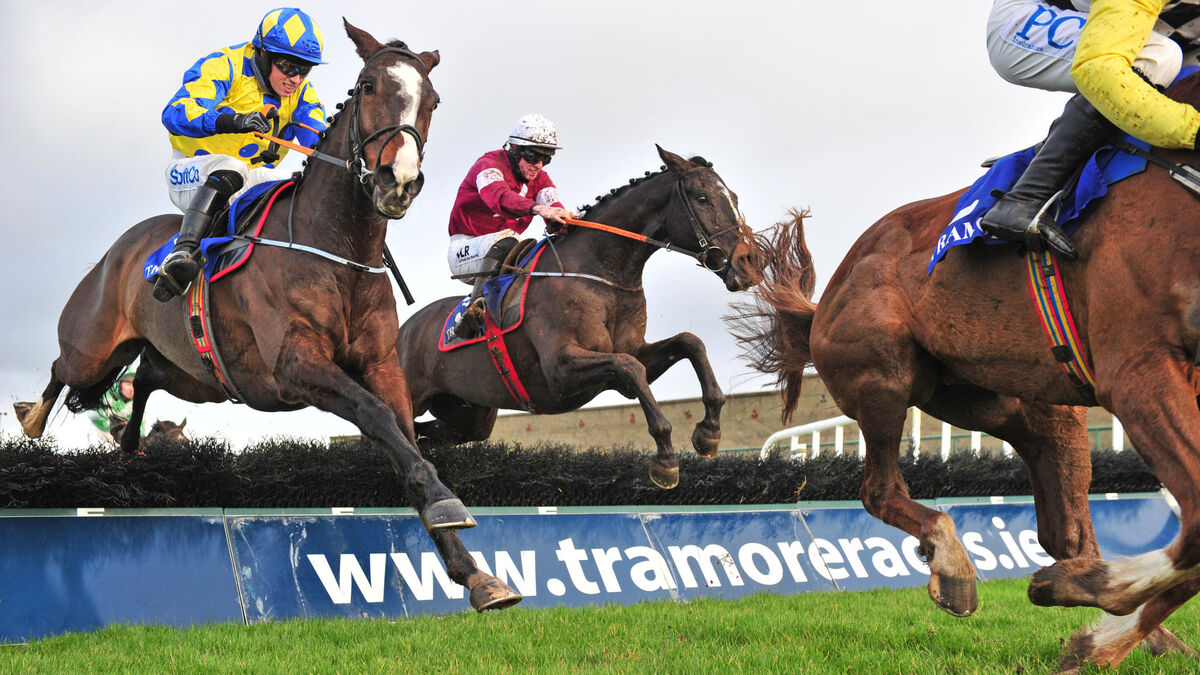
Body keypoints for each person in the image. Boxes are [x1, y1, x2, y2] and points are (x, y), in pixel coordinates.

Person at [982, 0, 1200, 260]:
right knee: (1157, 55)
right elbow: (1101, 70)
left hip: (1147, 21)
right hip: (1022, 21)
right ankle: (1026, 197)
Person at [153, 7, 328, 301]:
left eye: (305, 69)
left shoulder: (302, 94)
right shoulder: (224, 65)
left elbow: (319, 139)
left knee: (298, 185)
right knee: (231, 167)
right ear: (262, 53)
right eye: (288, 66)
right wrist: (233, 121)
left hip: (250, 179)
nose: (296, 79)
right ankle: (182, 255)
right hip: (193, 171)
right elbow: (175, 112)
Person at [446, 113, 574, 338]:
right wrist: (538, 208)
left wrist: (572, 223)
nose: (539, 165)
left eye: (546, 159)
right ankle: (473, 309)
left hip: (506, 251)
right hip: (465, 251)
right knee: (508, 240)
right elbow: (500, 197)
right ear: (515, 148)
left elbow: (554, 207)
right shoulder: (488, 166)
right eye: (534, 156)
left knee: (537, 249)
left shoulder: (542, 180)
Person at [86, 370, 137, 445]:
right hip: (98, 431)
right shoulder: (106, 393)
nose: (132, 389)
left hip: (118, 436)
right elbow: (92, 413)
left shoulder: (136, 403)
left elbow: (140, 426)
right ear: (120, 384)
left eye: (135, 385)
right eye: (128, 384)